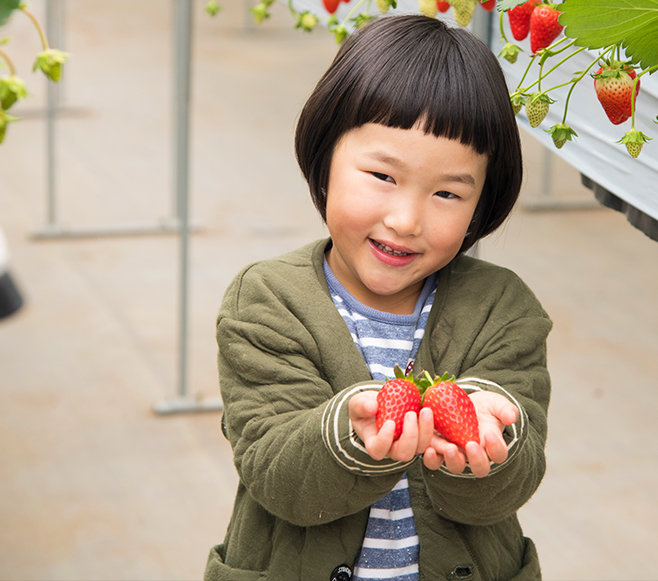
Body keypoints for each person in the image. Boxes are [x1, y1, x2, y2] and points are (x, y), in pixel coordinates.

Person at [205, 14, 552, 581]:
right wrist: (351, 432)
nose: (406, 219)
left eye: (447, 192)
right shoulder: (267, 300)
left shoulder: (502, 308)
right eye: (382, 176)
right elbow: (277, 477)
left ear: (482, 203)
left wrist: (488, 443)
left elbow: (504, 492)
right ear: (325, 157)